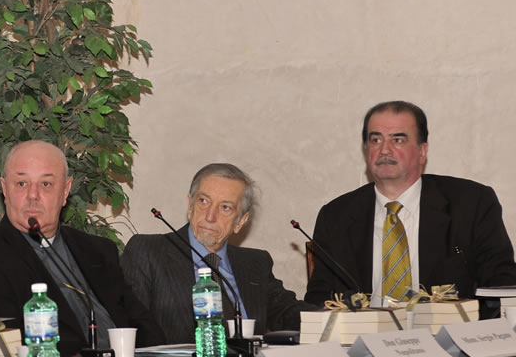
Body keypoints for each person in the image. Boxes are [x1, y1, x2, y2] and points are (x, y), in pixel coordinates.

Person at [0, 140, 163, 357]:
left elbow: (142, 327)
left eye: (46, 184)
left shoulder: (97, 250)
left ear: (66, 191)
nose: (33, 195)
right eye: (21, 184)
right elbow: (12, 345)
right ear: (5, 189)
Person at [305, 100, 516, 307]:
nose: (384, 150)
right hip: (361, 338)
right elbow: (319, 299)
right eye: (376, 140)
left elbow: (501, 284)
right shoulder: (336, 216)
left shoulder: (471, 204)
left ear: (422, 151)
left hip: (448, 336)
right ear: (366, 150)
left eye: (398, 140)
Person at [121, 163, 313, 344]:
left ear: (241, 221)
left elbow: (287, 312)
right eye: (203, 201)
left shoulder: (256, 263)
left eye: (225, 207)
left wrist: (335, 317)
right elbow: (129, 328)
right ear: (190, 205)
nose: (210, 216)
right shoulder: (149, 251)